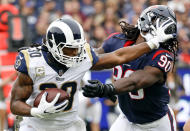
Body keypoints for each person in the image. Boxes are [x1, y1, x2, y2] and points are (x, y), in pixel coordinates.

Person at [10, 15, 173, 131]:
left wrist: (152, 43)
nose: (75, 54)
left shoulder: (82, 57)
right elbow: (15, 103)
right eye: (69, 49)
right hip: (35, 126)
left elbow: (119, 55)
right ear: (52, 45)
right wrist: (34, 111)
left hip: (69, 126)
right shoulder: (32, 63)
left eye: (77, 48)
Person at [82, 5, 178, 131]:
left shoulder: (163, 54)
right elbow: (95, 59)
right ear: (146, 20)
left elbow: (136, 81)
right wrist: (77, 56)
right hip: (127, 119)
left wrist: (108, 88)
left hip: (155, 124)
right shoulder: (118, 40)